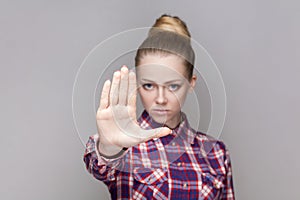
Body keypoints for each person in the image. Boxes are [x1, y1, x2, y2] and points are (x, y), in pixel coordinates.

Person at [83, 14, 235, 199]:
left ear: (191, 82)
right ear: (138, 83)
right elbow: (99, 166)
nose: (160, 99)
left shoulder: (216, 153)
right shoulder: (126, 147)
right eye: (149, 85)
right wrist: (109, 147)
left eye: (172, 86)